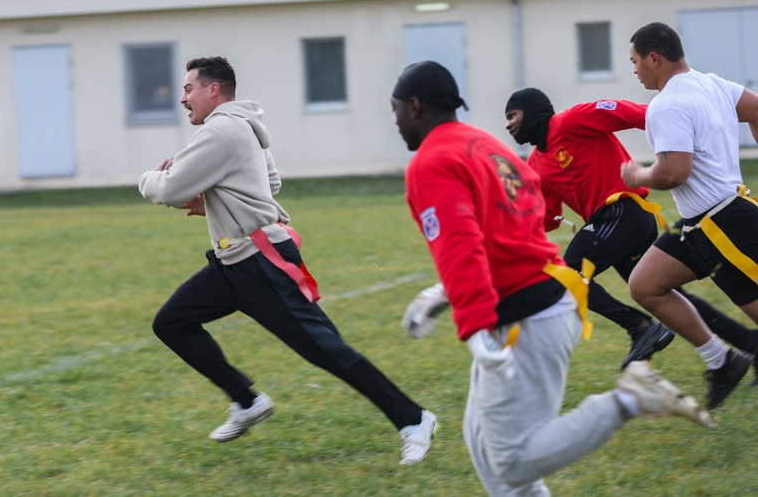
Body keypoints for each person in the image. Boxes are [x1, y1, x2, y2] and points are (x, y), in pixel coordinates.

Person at [391, 60, 713, 497]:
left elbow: (460, 246)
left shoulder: (431, 162)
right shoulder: (484, 145)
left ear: (413, 107)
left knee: (513, 461)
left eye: (394, 110)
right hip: (541, 303)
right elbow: (512, 230)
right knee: (481, 440)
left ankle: (629, 398)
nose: (394, 122)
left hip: (531, 316)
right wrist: (446, 293)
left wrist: (474, 325)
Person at [140, 56, 438, 465]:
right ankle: (247, 401)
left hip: (260, 262)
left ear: (213, 90)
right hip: (234, 261)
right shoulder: (245, 126)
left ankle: (414, 418)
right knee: (171, 323)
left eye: (189, 89)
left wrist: (148, 178)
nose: (182, 98)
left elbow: (170, 189)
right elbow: (269, 182)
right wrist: (218, 202)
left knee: (327, 350)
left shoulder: (222, 129)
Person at [499, 88, 758, 374]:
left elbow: (635, 113)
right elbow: (546, 219)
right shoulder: (534, 165)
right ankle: (745, 345)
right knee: (664, 294)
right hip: (618, 225)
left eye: (513, 115)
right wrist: (514, 198)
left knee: (565, 277)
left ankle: (640, 327)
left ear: (533, 109)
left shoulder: (572, 120)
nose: (509, 124)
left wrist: (679, 140)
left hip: (624, 212)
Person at [621, 21, 758, 409]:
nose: (634, 70)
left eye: (635, 62)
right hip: (703, 224)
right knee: (644, 283)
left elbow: (673, 172)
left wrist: (637, 174)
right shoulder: (712, 83)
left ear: (654, 58)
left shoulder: (666, 105)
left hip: (727, 222)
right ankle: (723, 361)